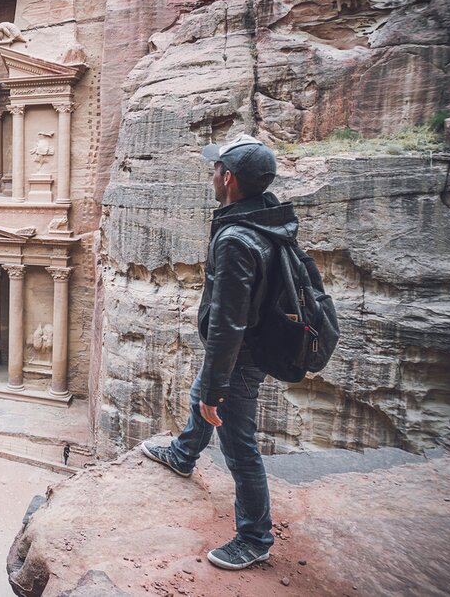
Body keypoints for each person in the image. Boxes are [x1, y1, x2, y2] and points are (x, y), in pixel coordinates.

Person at [141, 135, 284, 571]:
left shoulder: (236, 239)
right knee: (199, 394)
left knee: (239, 447)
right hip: (251, 344)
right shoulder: (265, 214)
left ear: (229, 179)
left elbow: (228, 321)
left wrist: (217, 388)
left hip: (241, 352)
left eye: (217, 168)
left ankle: (255, 538)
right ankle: (184, 454)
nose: (213, 174)